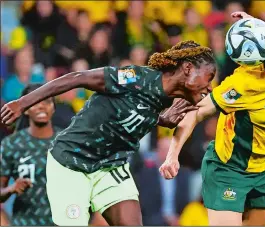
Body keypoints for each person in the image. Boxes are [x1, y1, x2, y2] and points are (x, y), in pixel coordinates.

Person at [1, 40, 216, 226]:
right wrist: (22, 103)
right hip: (71, 163)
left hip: (110, 166)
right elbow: (77, 77)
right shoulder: (135, 78)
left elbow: (131, 114)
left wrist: (159, 120)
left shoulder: (168, 100)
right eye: (209, 77)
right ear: (188, 68)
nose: (209, 87)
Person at [159, 12, 265, 226]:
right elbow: (196, 111)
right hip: (230, 168)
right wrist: (172, 154)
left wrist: (256, 24)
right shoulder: (243, 83)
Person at [0, 84, 58, 225]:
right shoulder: (11, 144)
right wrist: (11, 189)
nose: (41, 106)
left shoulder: (67, 141)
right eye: (35, 102)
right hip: (25, 222)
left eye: (47, 101)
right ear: (24, 110)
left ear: (54, 107)